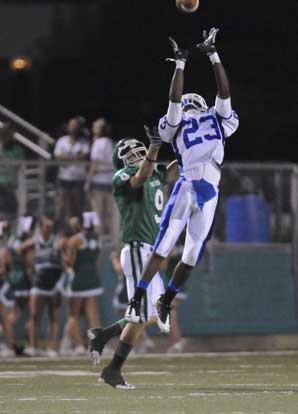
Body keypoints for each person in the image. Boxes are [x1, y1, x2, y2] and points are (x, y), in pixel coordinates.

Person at [125, 28, 239, 333]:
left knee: (191, 253)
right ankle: (137, 297)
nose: (187, 105)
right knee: (163, 246)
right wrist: (180, 63)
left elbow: (224, 93)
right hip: (187, 185)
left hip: (210, 191)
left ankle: (166, 299)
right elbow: (174, 101)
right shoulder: (175, 124)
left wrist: (213, 55)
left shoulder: (217, 117)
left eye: (191, 103)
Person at [88, 127, 179, 389]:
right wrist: (153, 149)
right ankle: (112, 369)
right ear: (122, 159)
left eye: (142, 149)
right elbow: (141, 176)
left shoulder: (155, 170)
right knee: (142, 316)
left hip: (150, 251)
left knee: (149, 315)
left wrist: (191, 155)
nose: (139, 154)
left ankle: (104, 336)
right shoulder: (122, 175)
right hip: (138, 248)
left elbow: (170, 172)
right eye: (133, 152)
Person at [20, 212, 64, 357]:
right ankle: (33, 346)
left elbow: (65, 256)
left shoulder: (57, 241)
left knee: (53, 316)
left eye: (51, 226)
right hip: (38, 282)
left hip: (53, 282)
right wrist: (29, 265)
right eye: (46, 226)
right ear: (41, 227)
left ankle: (51, 348)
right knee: (34, 315)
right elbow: (20, 249)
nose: (49, 228)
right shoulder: (35, 240)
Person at [61, 212, 103, 355]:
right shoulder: (98, 238)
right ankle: (96, 345)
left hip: (78, 280)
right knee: (93, 315)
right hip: (93, 280)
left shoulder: (74, 240)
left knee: (74, 315)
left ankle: (79, 346)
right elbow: (98, 261)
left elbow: (70, 263)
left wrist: (63, 251)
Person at [84, 118, 119, 248]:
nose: (93, 127)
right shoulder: (112, 142)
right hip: (111, 181)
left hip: (99, 181)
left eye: (96, 126)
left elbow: (95, 164)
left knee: (98, 213)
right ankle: (112, 241)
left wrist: (88, 181)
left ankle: (100, 242)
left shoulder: (99, 143)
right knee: (110, 213)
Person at [54, 116, 90, 219]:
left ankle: (77, 229)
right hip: (63, 178)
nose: (72, 127)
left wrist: (66, 158)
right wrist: (75, 157)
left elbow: (85, 156)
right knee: (62, 206)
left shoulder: (84, 142)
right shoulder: (62, 141)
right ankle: (63, 229)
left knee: (77, 206)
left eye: (75, 125)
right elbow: (57, 157)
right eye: (71, 125)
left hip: (78, 179)